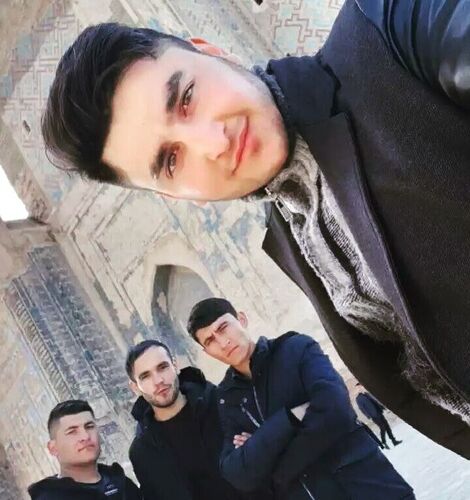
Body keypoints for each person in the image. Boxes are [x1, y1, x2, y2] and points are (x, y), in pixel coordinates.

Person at [41, 0, 470, 456]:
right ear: (176, 195)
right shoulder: (290, 232)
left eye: (186, 98)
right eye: (171, 161)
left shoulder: (385, 31)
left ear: (214, 52)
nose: (213, 142)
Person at [186, 297, 414, 500]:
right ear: (207, 352)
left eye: (223, 327)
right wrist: (290, 418)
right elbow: (238, 474)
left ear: (241, 319)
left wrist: (274, 465)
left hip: (369, 488)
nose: (223, 342)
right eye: (210, 340)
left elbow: (335, 413)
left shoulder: (295, 349)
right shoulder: (227, 398)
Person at [126, 339, 242, 500]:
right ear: (135, 387)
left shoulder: (220, 403)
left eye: (163, 367)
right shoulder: (142, 452)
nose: (158, 381)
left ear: (175, 365)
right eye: (145, 376)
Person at [28, 400, 141, 500]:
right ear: (53, 448)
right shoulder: (51, 496)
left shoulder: (122, 484)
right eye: (72, 432)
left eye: (89, 427)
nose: (85, 436)